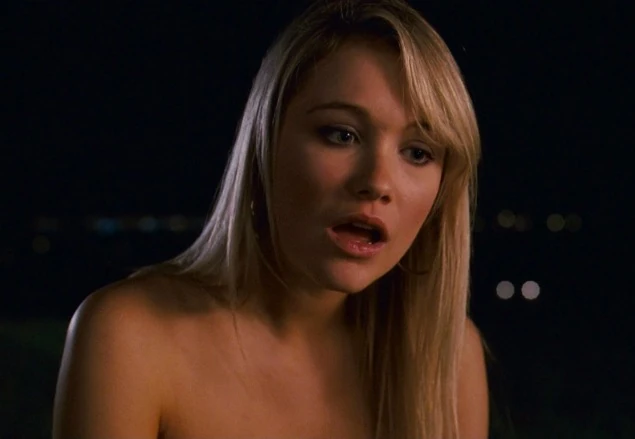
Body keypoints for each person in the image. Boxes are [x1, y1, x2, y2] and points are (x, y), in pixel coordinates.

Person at [52, 0, 489, 438]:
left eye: (418, 152)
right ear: (266, 141)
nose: (377, 182)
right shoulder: (130, 337)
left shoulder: (447, 360)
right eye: (342, 134)